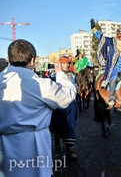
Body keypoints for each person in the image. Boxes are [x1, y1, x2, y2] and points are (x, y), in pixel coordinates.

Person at [0, 39, 76, 176]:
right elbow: (68, 96)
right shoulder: (42, 85)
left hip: (4, 148)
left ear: (10, 59)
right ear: (32, 60)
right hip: (35, 147)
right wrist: (60, 74)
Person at [90, 19, 121, 106]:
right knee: (114, 77)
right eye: (118, 34)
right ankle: (111, 96)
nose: (119, 35)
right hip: (114, 66)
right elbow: (101, 37)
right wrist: (94, 28)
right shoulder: (112, 41)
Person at [49, 56, 78, 160]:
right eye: (64, 63)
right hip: (58, 105)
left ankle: (70, 148)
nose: (67, 65)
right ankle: (57, 140)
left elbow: (75, 87)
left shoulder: (73, 75)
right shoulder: (52, 75)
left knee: (70, 125)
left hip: (70, 105)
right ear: (59, 64)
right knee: (57, 124)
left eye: (68, 63)